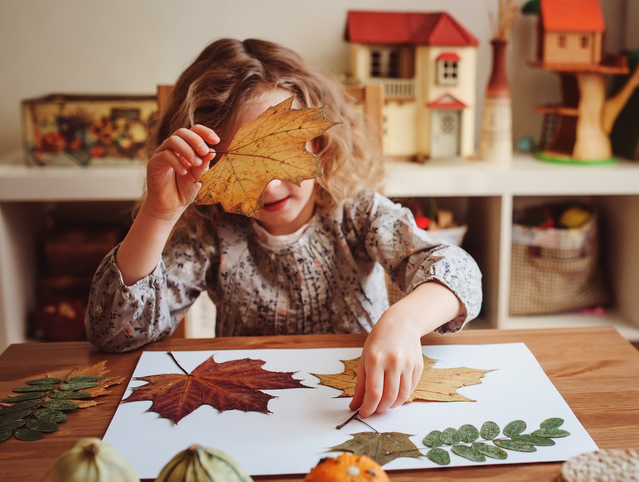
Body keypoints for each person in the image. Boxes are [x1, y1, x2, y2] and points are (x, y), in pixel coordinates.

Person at [85, 38, 483, 418]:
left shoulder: (358, 215)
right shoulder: (209, 232)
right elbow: (115, 334)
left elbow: (460, 273)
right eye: (241, 166)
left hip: (355, 400)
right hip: (248, 405)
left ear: (319, 145)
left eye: (278, 158)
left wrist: (404, 322)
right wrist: (158, 214)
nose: (270, 186)